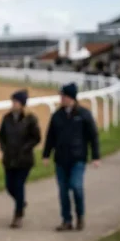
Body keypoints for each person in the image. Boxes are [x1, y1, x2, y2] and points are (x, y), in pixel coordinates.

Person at [42, 83, 101, 231]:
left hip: (77, 158)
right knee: (63, 191)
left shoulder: (83, 115)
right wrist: (46, 154)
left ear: (71, 98)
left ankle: (80, 216)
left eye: (63, 96)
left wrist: (95, 156)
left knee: (76, 187)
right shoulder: (57, 115)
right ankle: (66, 220)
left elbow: (93, 136)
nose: (61, 98)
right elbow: (50, 136)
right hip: (61, 159)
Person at [0, 89, 41, 228]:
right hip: (9, 158)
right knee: (9, 186)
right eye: (13, 101)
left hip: (24, 159)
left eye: (16, 102)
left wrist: (25, 148)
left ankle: (18, 215)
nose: (13, 104)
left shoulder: (30, 119)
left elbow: (37, 138)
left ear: (22, 104)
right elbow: (1, 135)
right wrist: (4, 148)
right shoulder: (7, 118)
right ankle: (20, 202)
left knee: (18, 185)